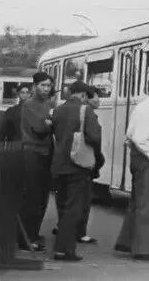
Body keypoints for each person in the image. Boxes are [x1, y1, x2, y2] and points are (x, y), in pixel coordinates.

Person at [115, 76, 149, 263]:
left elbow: (130, 134)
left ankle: (127, 242)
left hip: (136, 155)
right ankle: (143, 250)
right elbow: (140, 138)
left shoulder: (141, 105)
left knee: (137, 201)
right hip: (146, 153)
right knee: (148, 203)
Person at [51, 81, 101, 261]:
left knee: (63, 206)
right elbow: (94, 137)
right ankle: (64, 250)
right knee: (74, 209)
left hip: (59, 165)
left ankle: (62, 247)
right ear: (83, 95)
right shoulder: (86, 111)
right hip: (77, 166)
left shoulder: (57, 110)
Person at [18, 72, 54, 251]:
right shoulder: (30, 104)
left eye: (48, 86)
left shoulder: (48, 104)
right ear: (34, 86)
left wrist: (49, 122)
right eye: (43, 85)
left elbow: (49, 124)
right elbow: (40, 128)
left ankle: (33, 234)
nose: (46, 89)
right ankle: (25, 238)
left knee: (41, 198)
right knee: (32, 197)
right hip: (32, 152)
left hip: (45, 153)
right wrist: (49, 122)